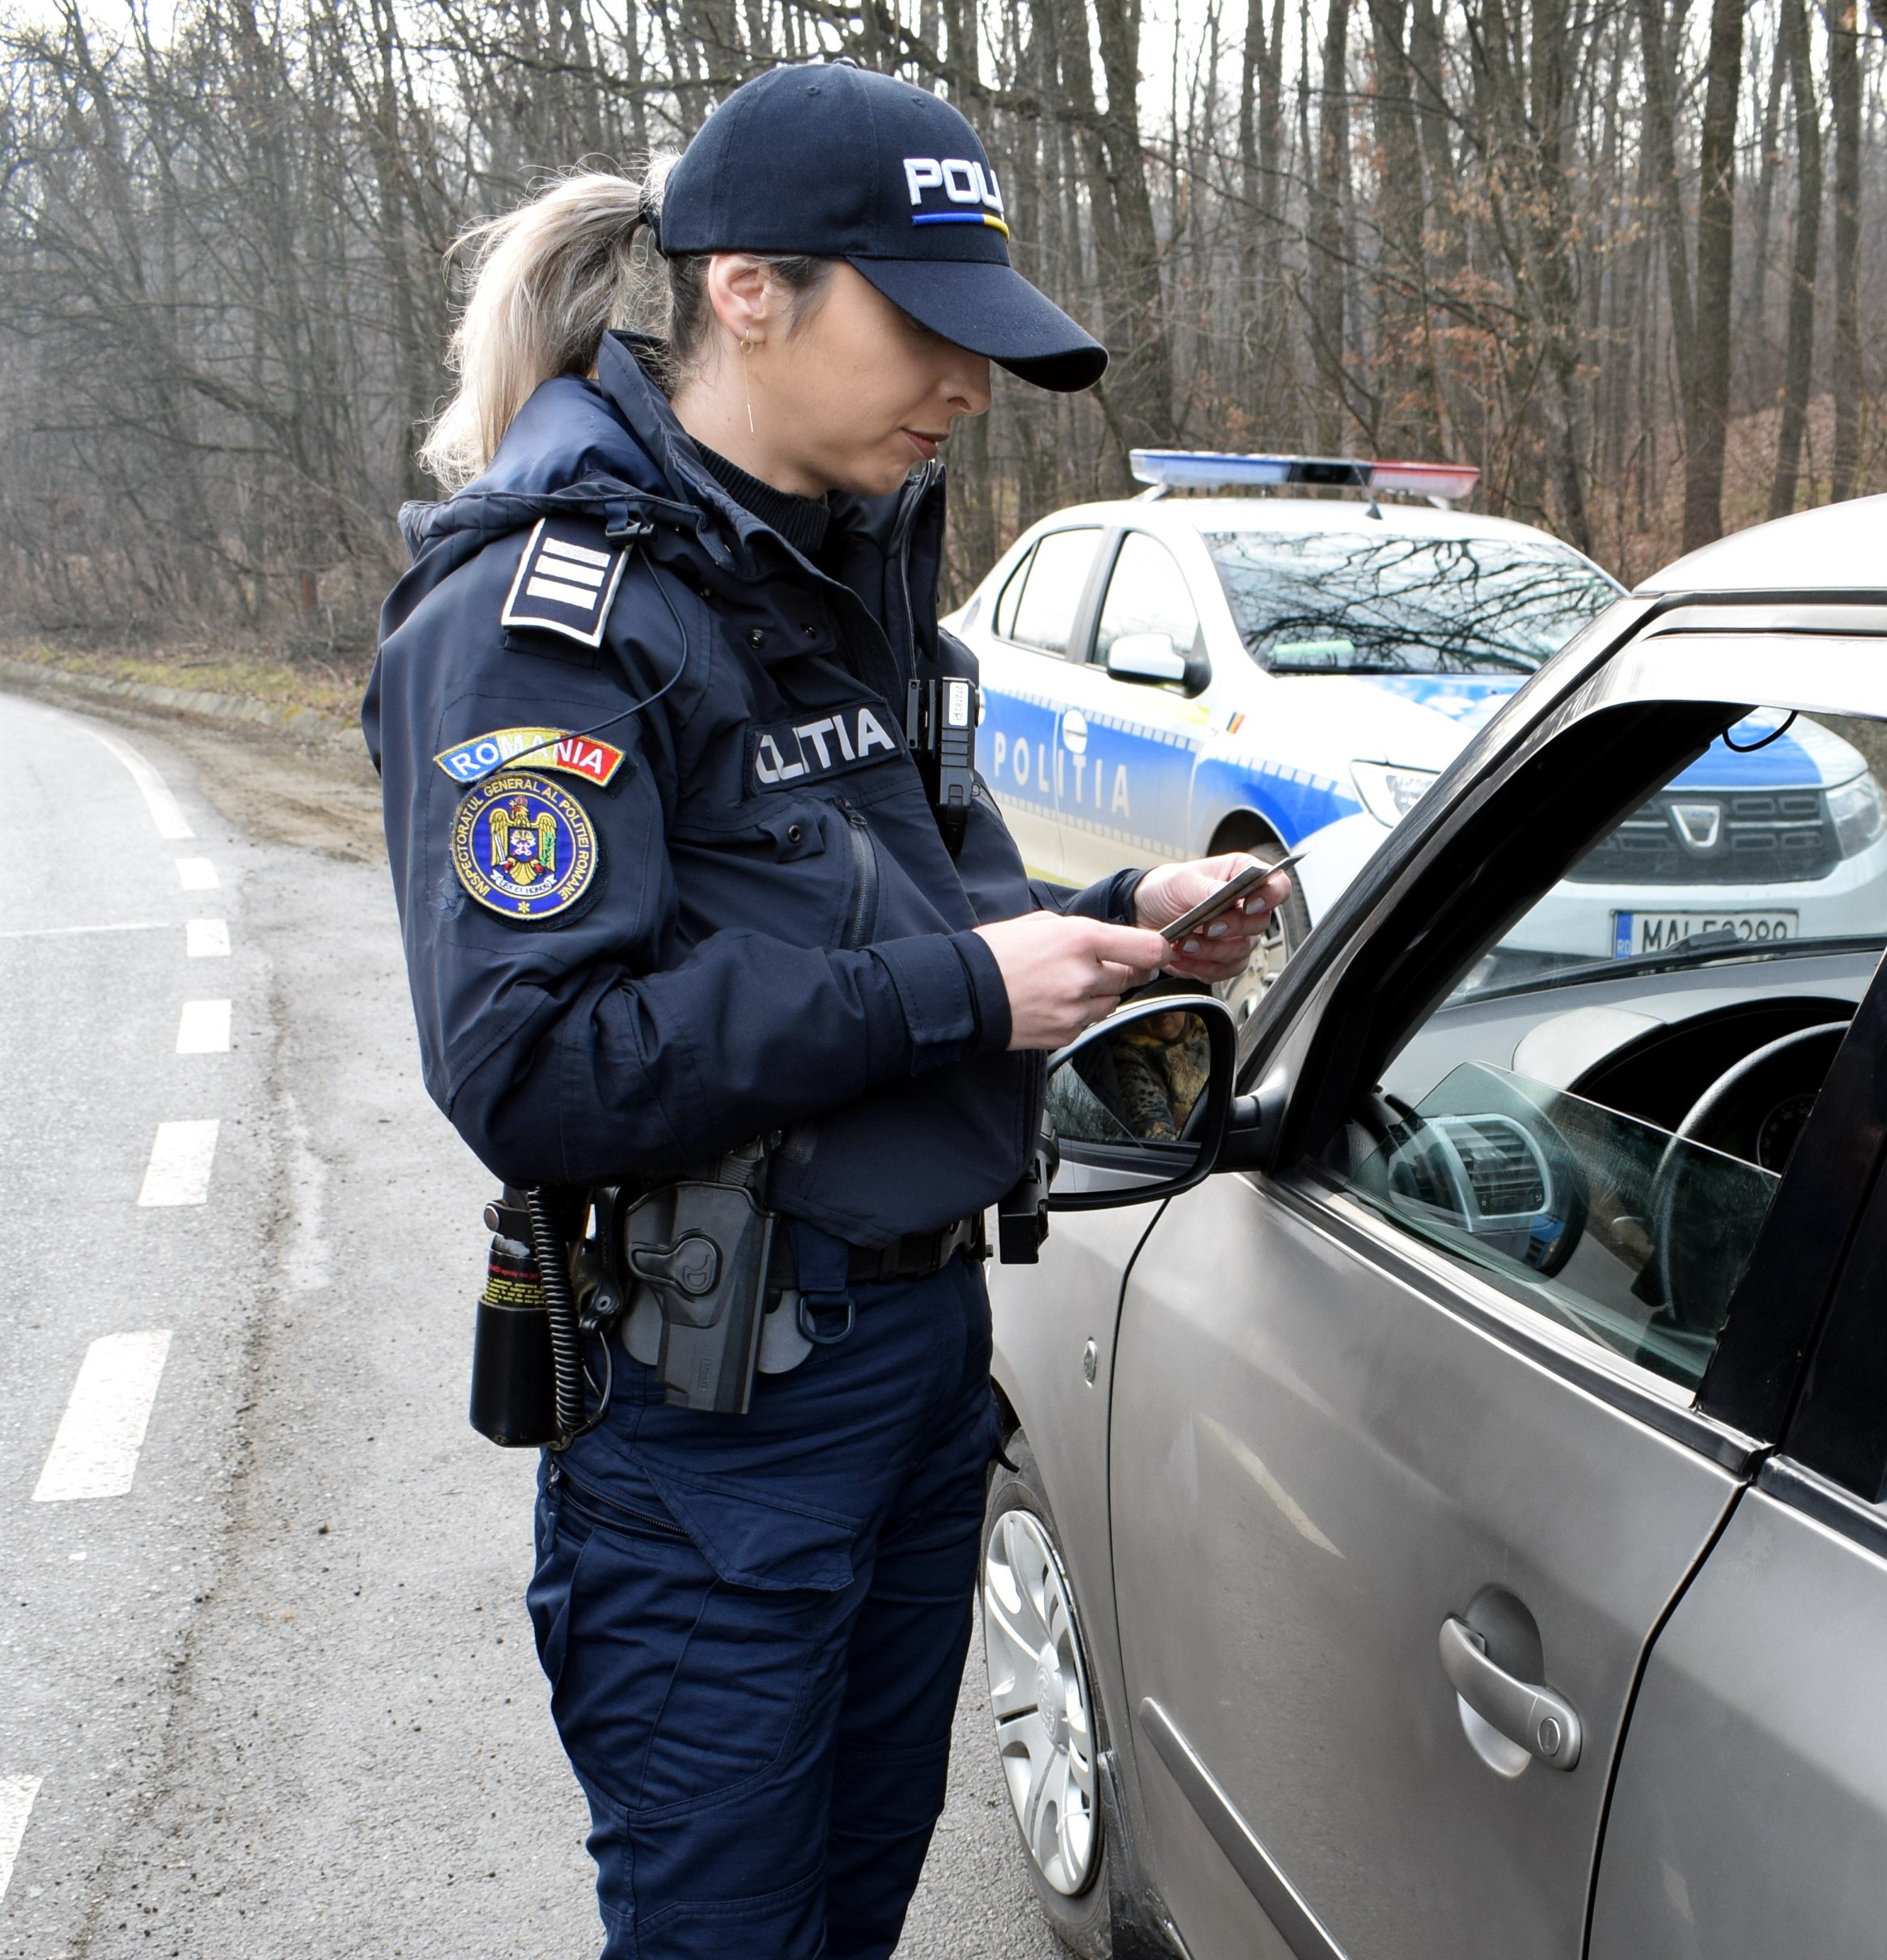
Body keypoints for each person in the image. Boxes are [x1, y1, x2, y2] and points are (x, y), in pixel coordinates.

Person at [363, 61, 1290, 1960]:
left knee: (853, 1909)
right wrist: (964, 988)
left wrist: (1106, 925)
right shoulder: (550, 617)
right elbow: (537, 1061)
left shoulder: (852, 568)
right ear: (750, 293)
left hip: (921, 1362)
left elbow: (906, 916)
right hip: (723, 1419)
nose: (967, 384)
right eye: (926, 328)